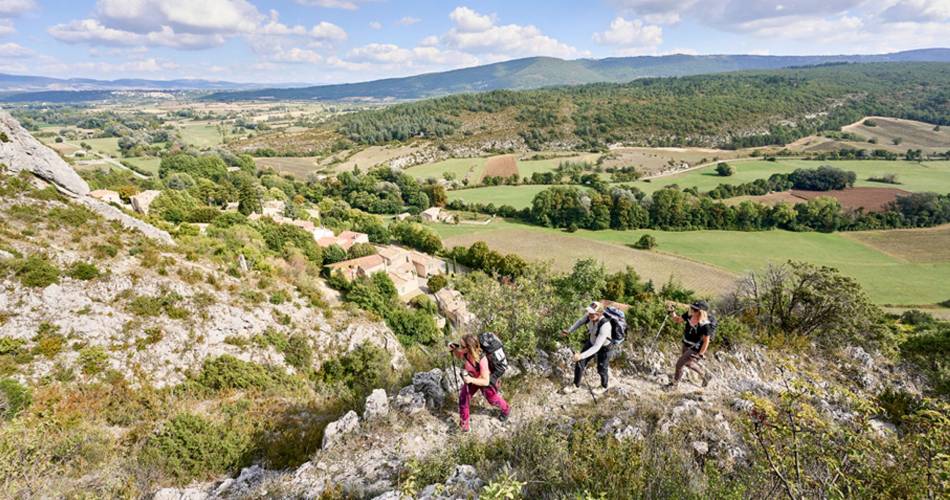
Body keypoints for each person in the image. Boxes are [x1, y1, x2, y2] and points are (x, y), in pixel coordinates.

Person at [451, 333, 511, 433]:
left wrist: (470, 380)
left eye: (463, 346)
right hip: (472, 378)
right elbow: (459, 354)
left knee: (492, 400)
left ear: (470, 348)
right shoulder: (466, 353)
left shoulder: (482, 360)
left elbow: (485, 381)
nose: (460, 348)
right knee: (463, 398)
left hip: (483, 381)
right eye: (460, 345)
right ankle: (464, 426)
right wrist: (453, 348)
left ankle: (506, 409)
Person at [561, 301, 613, 395]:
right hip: (591, 342)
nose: (589, 314)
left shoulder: (605, 326)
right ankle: (575, 385)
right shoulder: (589, 317)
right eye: (589, 312)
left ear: (599, 313)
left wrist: (581, 355)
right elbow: (580, 322)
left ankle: (604, 386)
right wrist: (569, 331)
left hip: (604, 348)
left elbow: (597, 347)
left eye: (592, 313)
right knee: (580, 363)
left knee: (602, 368)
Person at [666, 300, 715, 389]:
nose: (692, 311)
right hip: (686, 343)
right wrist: (672, 312)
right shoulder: (689, 315)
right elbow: (677, 320)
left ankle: (674, 384)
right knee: (688, 364)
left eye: (695, 310)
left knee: (679, 364)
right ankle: (705, 376)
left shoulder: (705, 325)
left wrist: (701, 354)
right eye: (692, 308)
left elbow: (706, 341)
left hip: (695, 347)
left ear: (701, 312)